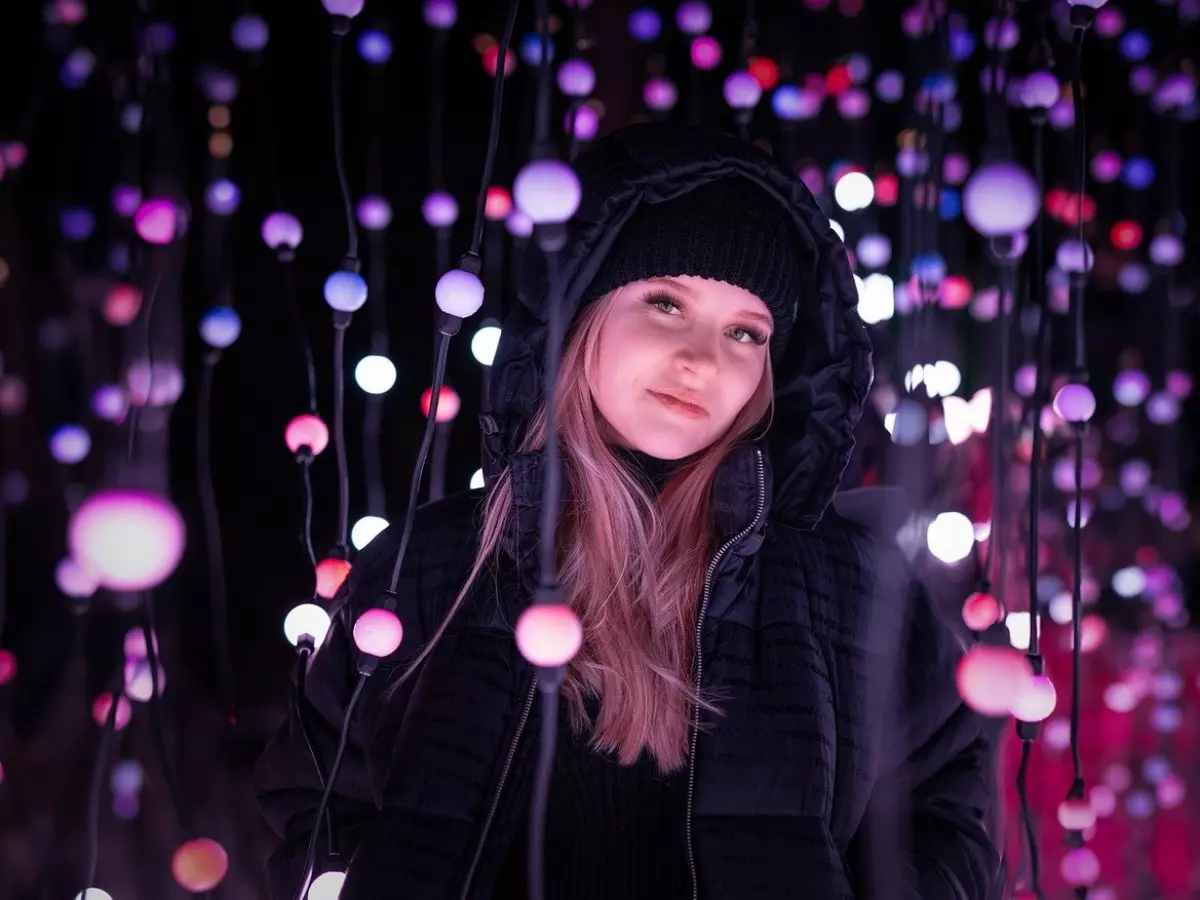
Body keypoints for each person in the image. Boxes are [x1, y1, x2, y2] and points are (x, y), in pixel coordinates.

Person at [253, 122, 1001, 900]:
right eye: (666, 302)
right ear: (583, 315)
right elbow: (314, 790)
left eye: (746, 331)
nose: (704, 360)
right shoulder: (428, 567)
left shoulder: (850, 583)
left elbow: (944, 798)